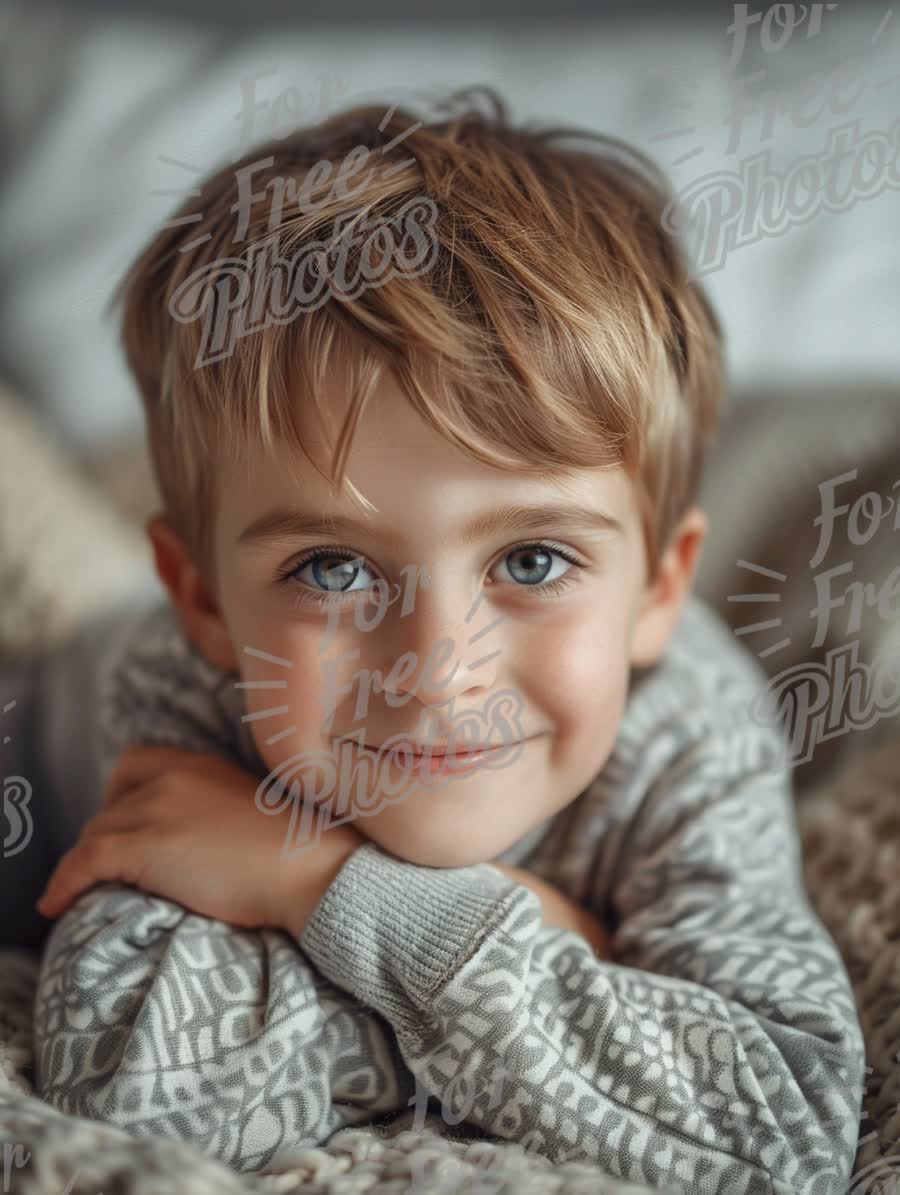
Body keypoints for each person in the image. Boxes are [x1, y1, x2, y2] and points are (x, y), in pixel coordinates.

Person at [30, 85, 865, 1191]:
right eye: (331, 567)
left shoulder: (690, 726)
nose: (439, 666)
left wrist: (324, 883)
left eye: (532, 561)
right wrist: (574, 960)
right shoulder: (179, 697)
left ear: (661, 589)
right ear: (205, 605)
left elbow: (782, 1128)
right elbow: (143, 1086)